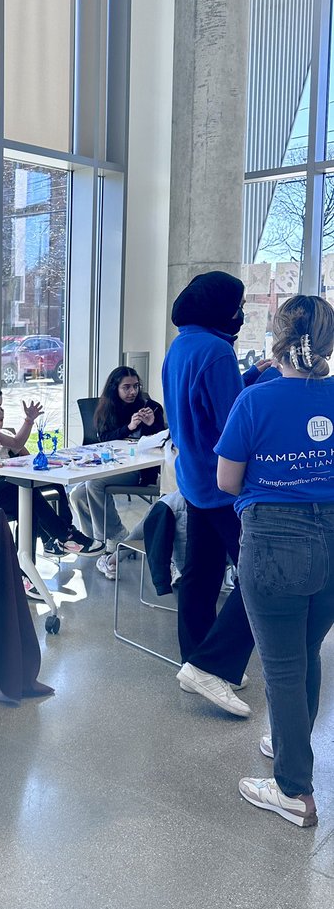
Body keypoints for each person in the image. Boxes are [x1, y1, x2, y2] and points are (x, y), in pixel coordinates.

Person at [216, 295, 334, 829]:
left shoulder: (256, 401)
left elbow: (226, 480)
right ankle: (291, 744)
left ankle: (293, 791)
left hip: (275, 543)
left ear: (279, 339)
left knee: (283, 667)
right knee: (306, 653)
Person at [162, 270, 270, 717]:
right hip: (225, 485)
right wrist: (263, 388)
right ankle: (212, 664)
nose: (241, 313)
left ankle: (195, 658)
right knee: (262, 576)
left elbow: (202, 406)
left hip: (194, 477)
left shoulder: (182, 345)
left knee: (201, 573)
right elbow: (232, 424)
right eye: (238, 304)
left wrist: (247, 376)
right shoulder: (217, 350)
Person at [0, 382, 103, 558]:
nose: (0, 412)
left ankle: (28, 565)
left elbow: (16, 443)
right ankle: (65, 537)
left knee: (38, 493)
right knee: (23, 491)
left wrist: (29, 420)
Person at [70, 366, 165, 575]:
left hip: (141, 470)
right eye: (127, 387)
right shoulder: (107, 408)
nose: (132, 392)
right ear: (115, 389)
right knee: (77, 494)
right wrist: (129, 428)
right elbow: (103, 438)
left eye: (135, 386)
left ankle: (109, 540)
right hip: (112, 465)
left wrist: (150, 425)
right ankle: (96, 541)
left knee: (94, 484)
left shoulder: (153, 408)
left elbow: (161, 441)